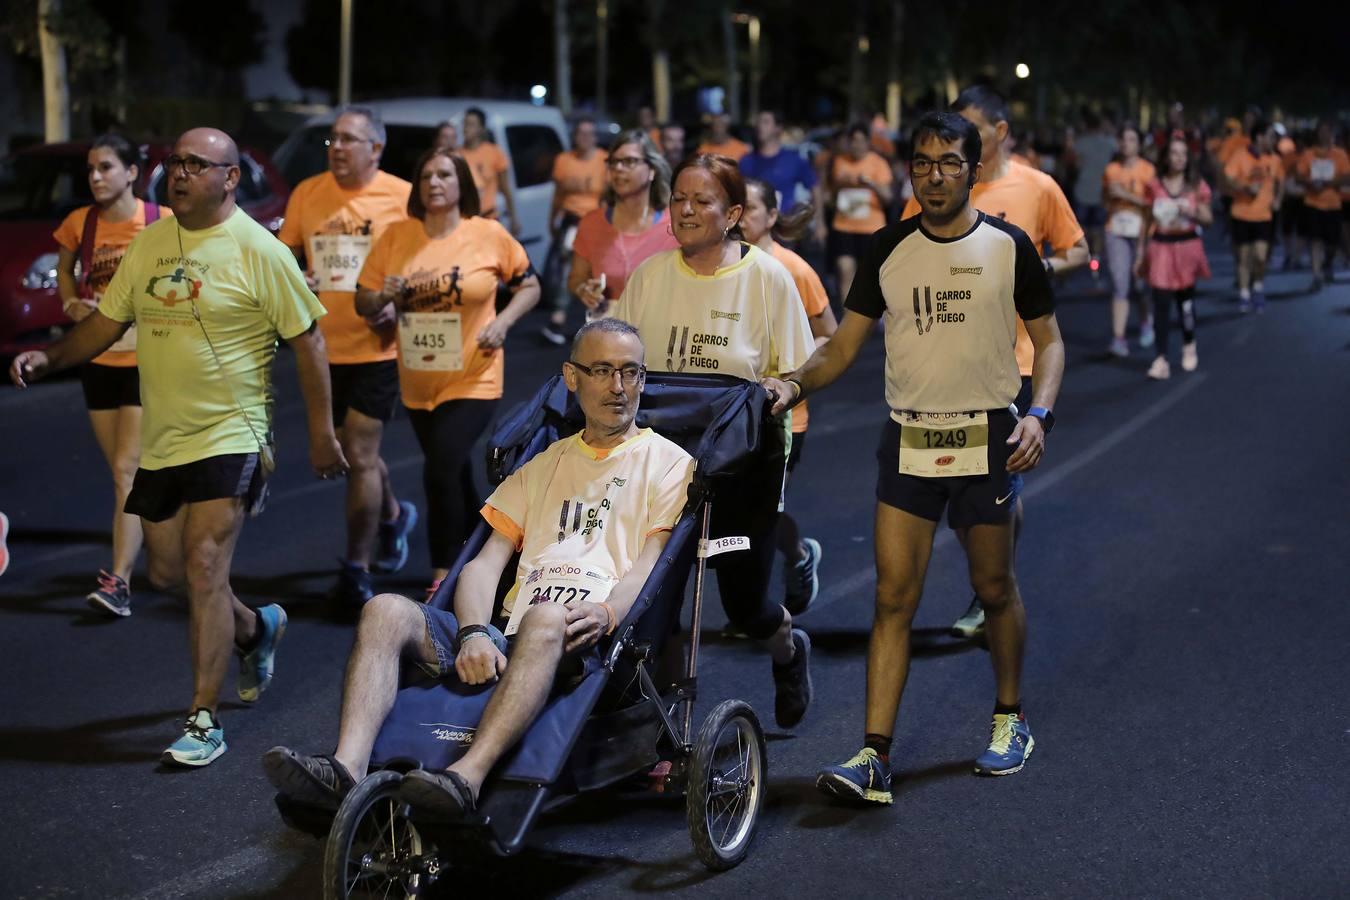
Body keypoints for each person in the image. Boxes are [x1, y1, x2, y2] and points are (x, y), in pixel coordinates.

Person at [11, 127, 348, 767]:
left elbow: (309, 341)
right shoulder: (151, 243)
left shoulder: (258, 250)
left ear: (230, 177)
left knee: (201, 565)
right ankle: (256, 627)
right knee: (167, 574)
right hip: (165, 441)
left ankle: (203, 717)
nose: (180, 172)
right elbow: (109, 323)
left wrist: (322, 433)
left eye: (197, 163)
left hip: (235, 432)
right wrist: (50, 356)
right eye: (175, 161)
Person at [262, 320, 695, 814]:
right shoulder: (543, 464)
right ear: (572, 377)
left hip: (590, 641)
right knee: (384, 609)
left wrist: (609, 614)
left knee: (546, 617)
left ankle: (466, 778)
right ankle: (347, 767)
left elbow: (649, 564)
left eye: (630, 372)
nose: (618, 387)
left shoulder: (670, 463)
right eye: (601, 371)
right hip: (511, 632)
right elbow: (485, 564)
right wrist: (473, 633)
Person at [762, 111, 1063, 803]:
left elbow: (1050, 342)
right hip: (910, 440)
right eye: (923, 163)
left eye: (950, 162)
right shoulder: (887, 248)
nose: (935, 176)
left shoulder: (1009, 246)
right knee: (893, 598)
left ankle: (1010, 719)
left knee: (993, 589)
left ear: (973, 169)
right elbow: (840, 347)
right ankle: (874, 756)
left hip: (987, 436)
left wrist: (1040, 416)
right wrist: (791, 381)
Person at [605, 154, 816, 728]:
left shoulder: (767, 278)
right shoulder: (650, 277)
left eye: (703, 202)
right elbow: (619, 357)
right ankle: (667, 725)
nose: (686, 211)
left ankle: (789, 653)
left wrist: (783, 385)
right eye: (678, 199)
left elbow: (800, 369)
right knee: (658, 597)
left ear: (734, 214)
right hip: (662, 462)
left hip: (742, 464)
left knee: (746, 606)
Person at [902, 86, 1085, 639]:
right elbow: (904, 248)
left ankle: (992, 591)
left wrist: (1038, 269)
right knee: (964, 492)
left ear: (998, 133)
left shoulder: (1037, 186)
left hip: (1015, 359)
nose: (951, 136)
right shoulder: (939, 184)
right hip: (945, 360)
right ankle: (994, 580)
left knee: (995, 482)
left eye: (967, 124)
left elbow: (1077, 249)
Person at [355, 149, 540, 588]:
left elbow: (530, 285)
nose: (434, 183)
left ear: (461, 184)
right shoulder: (397, 236)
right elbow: (362, 301)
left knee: (439, 468)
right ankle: (496, 557)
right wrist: (382, 295)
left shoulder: (488, 234)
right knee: (453, 472)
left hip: (475, 374)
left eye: (444, 175)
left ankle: (443, 573)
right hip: (419, 380)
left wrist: (503, 322)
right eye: (426, 176)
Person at [278, 107, 419, 607]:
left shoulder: (402, 196)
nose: (337, 148)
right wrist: (300, 276)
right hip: (319, 347)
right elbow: (285, 255)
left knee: (358, 454)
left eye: (349, 140)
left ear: (375, 149)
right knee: (353, 450)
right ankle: (395, 516)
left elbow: (427, 265)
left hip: (377, 345)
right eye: (333, 140)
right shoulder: (307, 193)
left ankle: (355, 568)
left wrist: (397, 305)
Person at [52, 134, 168, 616]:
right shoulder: (81, 224)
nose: (96, 177)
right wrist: (72, 304)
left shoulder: (159, 223)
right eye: (91, 170)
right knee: (124, 473)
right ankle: (161, 542)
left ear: (131, 172)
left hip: (147, 361)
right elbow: (65, 272)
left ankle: (119, 580)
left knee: (127, 468)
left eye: (105, 167)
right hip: (98, 362)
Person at [741, 177, 836, 614]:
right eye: (734, 208)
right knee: (739, 508)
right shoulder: (723, 266)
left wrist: (793, 374)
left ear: (773, 217)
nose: (740, 218)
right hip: (728, 413)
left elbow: (830, 336)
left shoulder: (794, 269)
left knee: (762, 510)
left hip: (782, 415)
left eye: (750, 210)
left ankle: (795, 560)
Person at [568, 130, 678, 321]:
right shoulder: (592, 222)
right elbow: (576, 278)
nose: (618, 168)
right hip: (607, 337)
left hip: (660, 335)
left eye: (629, 162)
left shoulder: (675, 225)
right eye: (613, 162)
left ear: (652, 170)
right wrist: (583, 290)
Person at [1137, 137, 1213, 380]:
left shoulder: (1195, 186)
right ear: (1166, 157)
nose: (1179, 158)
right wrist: (1140, 254)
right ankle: (1161, 358)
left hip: (1188, 246)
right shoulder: (1154, 185)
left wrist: (1191, 211)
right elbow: (1146, 221)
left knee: (1186, 303)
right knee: (1160, 303)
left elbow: (1208, 219)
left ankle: (1189, 342)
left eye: (1183, 153)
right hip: (1161, 248)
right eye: (1174, 153)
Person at [541, 117, 608, 345]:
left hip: (596, 222)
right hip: (571, 221)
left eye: (590, 134)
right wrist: (552, 220)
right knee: (569, 267)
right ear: (574, 136)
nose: (585, 138)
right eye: (581, 133)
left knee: (599, 269)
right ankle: (558, 318)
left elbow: (610, 195)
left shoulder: (604, 160)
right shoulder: (564, 160)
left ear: (595, 138)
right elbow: (558, 195)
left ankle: (600, 319)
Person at [1101, 124, 1157, 355]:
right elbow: (1105, 198)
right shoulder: (1111, 170)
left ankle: (1146, 322)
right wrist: (1115, 201)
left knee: (1141, 284)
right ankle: (1119, 338)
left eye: (1132, 139)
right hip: (1116, 229)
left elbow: (1154, 206)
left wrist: (1126, 196)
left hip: (1143, 231)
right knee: (1120, 283)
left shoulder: (1148, 171)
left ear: (1139, 144)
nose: (1127, 144)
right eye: (1123, 140)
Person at [828, 123, 895, 303]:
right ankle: (847, 319)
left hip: (870, 227)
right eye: (853, 141)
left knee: (870, 276)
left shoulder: (878, 163)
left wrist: (870, 183)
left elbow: (888, 197)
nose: (856, 145)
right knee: (844, 269)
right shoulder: (840, 161)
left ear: (868, 142)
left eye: (860, 141)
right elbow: (831, 192)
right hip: (844, 225)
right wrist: (842, 183)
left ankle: (871, 319)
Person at [739, 110, 826, 243]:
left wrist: (819, 223)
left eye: (766, 122)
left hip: (784, 231)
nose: (759, 126)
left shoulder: (793, 159)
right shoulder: (746, 161)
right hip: (753, 229)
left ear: (778, 128)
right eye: (758, 122)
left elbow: (815, 187)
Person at [1224, 121, 1284, 313]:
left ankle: (1257, 286)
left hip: (1263, 215)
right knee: (1243, 257)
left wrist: (1278, 200)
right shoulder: (1240, 155)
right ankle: (1244, 294)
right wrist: (1245, 188)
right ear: (1259, 137)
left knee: (1260, 256)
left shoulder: (1274, 159)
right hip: (1241, 212)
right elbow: (1228, 178)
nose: (1273, 141)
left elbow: (1280, 181)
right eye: (1270, 136)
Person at [1296, 120, 1350, 292]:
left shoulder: (1339, 154)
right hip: (1313, 202)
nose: (1324, 135)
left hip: (1333, 203)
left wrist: (1330, 182)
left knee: (1332, 242)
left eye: (1327, 131)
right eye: (1321, 131)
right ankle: (1316, 275)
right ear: (1317, 134)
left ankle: (1327, 262)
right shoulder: (1308, 154)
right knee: (1315, 240)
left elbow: (1346, 176)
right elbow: (1298, 176)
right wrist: (1310, 182)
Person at [1071, 111, 1117, 276]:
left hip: (1083, 190)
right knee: (1098, 228)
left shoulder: (1080, 143)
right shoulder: (1110, 143)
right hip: (1101, 192)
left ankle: (1081, 258)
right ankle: (1095, 261)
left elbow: (1075, 166)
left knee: (1082, 228)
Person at [458, 107, 519, 234]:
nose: (466, 128)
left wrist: (514, 218)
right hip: (463, 219)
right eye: (465, 124)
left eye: (471, 124)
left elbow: (506, 188)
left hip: (488, 217)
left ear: (481, 129)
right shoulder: (456, 155)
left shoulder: (494, 152)